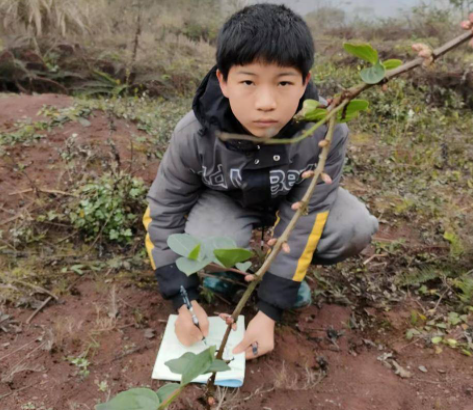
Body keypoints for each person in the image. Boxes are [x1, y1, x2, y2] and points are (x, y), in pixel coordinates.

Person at [143, 3, 378, 360]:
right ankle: (229, 273)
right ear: (223, 80)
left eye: (284, 82)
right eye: (248, 82)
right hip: (227, 200)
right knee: (204, 243)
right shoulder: (194, 134)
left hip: (291, 201)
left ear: (305, 82)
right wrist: (182, 300)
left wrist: (270, 309)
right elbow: (164, 211)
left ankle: (281, 281)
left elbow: (308, 214)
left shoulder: (327, 131)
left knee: (353, 226)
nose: (266, 103)